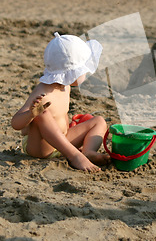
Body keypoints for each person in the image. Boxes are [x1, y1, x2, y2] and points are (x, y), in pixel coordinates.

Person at [11, 33, 110, 172]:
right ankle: (75, 156)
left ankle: (88, 152)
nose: (86, 73)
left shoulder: (66, 86)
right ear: (70, 72)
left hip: (62, 141)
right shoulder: (43, 93)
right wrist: (31, 114)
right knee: (42, 113)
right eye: (83, 70)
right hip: (41, 148)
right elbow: (15, 123)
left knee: (99, 121)